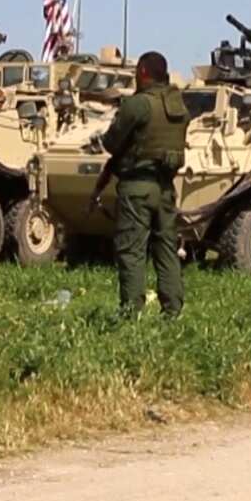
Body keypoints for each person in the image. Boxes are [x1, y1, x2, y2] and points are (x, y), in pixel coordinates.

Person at [97, 51, 189, 318]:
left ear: (143, 72)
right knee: (167, 248)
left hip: (137, 186)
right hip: (166, 187)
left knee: (131, 250)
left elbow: (111, 143)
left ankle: (131, 310)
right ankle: (172, 310)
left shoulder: (138, 104)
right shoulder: (177, 105)